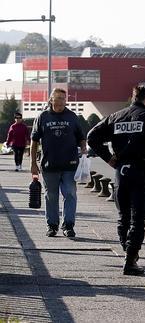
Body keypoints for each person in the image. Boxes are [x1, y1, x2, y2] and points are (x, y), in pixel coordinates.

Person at [87, 85, 145, 276]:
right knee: (138, 218)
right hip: (141, 171)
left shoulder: (116, 117)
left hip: (121, 172)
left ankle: (127, 251)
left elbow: (92, 137)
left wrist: (109, 157)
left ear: (132, 97)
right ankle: (131, 259)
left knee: (123, 216)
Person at [31, 88, 87, 238]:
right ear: (51, 100)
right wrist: (33, 164)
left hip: (70, 164)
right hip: (49, 165)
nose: (62, 101)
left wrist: (83, 148)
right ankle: (52, 225)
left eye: (64, 98)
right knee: (51, 196)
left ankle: (68, 225)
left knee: (70, 193)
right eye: (59, 98)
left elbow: (81, 136)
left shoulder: (72, 116)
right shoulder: (43, 117)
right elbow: (34, 141)